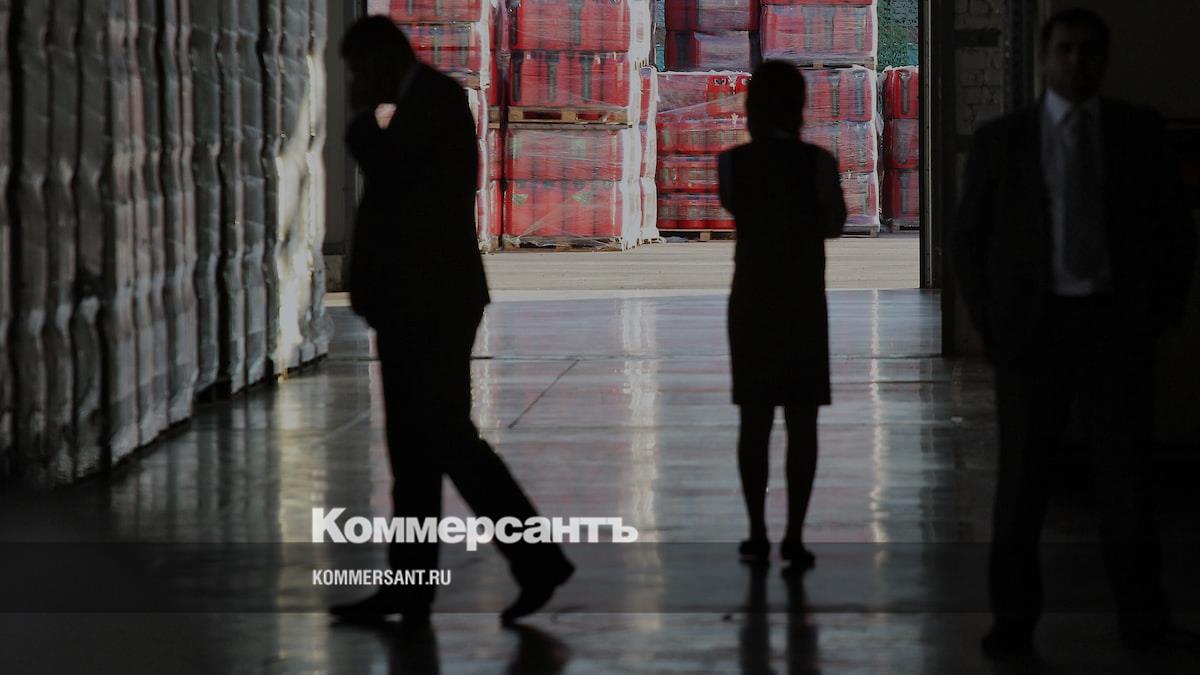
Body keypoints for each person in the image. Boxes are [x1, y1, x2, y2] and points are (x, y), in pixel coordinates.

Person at [952, 8, 1197, 660]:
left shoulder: (1139, 134)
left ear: (1103, 60)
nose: (1076, 62)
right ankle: (1012, 624)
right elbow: (969, 240)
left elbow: (1175, 231)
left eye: (1089, 51)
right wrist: (993, 323)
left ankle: (1144, 623)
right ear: (1044, 57)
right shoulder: (1004, 140)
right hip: (1035, 333)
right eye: (1065, 49)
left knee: (1128, 484)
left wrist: (1158, 314)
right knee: (1022, 485)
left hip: (1115, 329)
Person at [333, 16, 574, 626]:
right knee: (415, 453)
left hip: (431, 306)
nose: (355, 84)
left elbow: (408, 192)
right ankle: (411, 587)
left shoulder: (435, 103)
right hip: (413, 305)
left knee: (445, 439)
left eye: (358, 71)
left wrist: (363, 133)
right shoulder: (424, 103)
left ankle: (537, 560)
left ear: (380, 61)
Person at [718, 60, 847, 569]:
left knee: (754, 421)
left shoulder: (733, 164)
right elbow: (834, 224)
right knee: (802, 421)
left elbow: (736, 206)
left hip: (751, 304)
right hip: (803, 304)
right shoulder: (818, 163)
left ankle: (756, 532)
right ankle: (794, 535)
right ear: (799, 106)